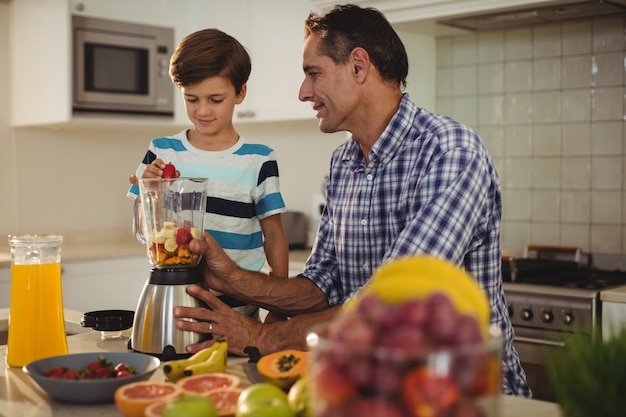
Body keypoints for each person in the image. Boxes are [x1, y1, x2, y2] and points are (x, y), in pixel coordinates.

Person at [172, 5, 532, 397]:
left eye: (313, 73)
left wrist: (262, 335)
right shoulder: (344, 162)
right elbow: (322, 285)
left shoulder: (449, 151)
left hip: (462, 396)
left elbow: (393, 308)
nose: (303, 92)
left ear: (359, 66)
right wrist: (234, 279)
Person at [128, 28, 289, 322]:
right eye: (192, 99)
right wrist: (152, 191)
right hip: (178, 302)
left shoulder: (259, 159)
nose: (203, 111)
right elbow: (145, 231)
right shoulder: (161, 151)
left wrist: (278, 307)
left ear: (240, 92)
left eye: (216, 99)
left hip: (242, 310)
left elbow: (275, 235)